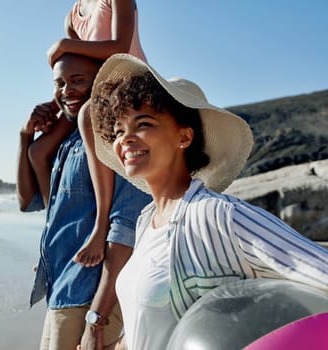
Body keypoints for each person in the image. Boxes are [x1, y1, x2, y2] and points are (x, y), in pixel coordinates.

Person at [89, 53, 328, 350]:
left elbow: (320, 270)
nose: (125, 138)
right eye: (118, 130)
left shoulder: (217, 215)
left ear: (184, 137)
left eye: (143, 123)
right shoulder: (146, 221)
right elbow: (149, 327)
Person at [17, 52, 151, 350]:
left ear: (101, 84)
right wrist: (25, 137)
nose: (67, 90)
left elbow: (125, 227)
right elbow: (37, 204)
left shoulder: (117, 141)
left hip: (90, 295)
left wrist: (97, 319)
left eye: (78, 80)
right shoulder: (69, 144)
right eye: (60, 83)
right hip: (63, 289)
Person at [47, 0, 148, 268]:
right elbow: (78, 65)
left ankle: (102, 223)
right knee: (41, 146)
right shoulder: (72, 16)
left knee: (86, 116)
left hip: (132, 81)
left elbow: (120, 48)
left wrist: (64, 45)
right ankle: (51, 248)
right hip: (100, 92)